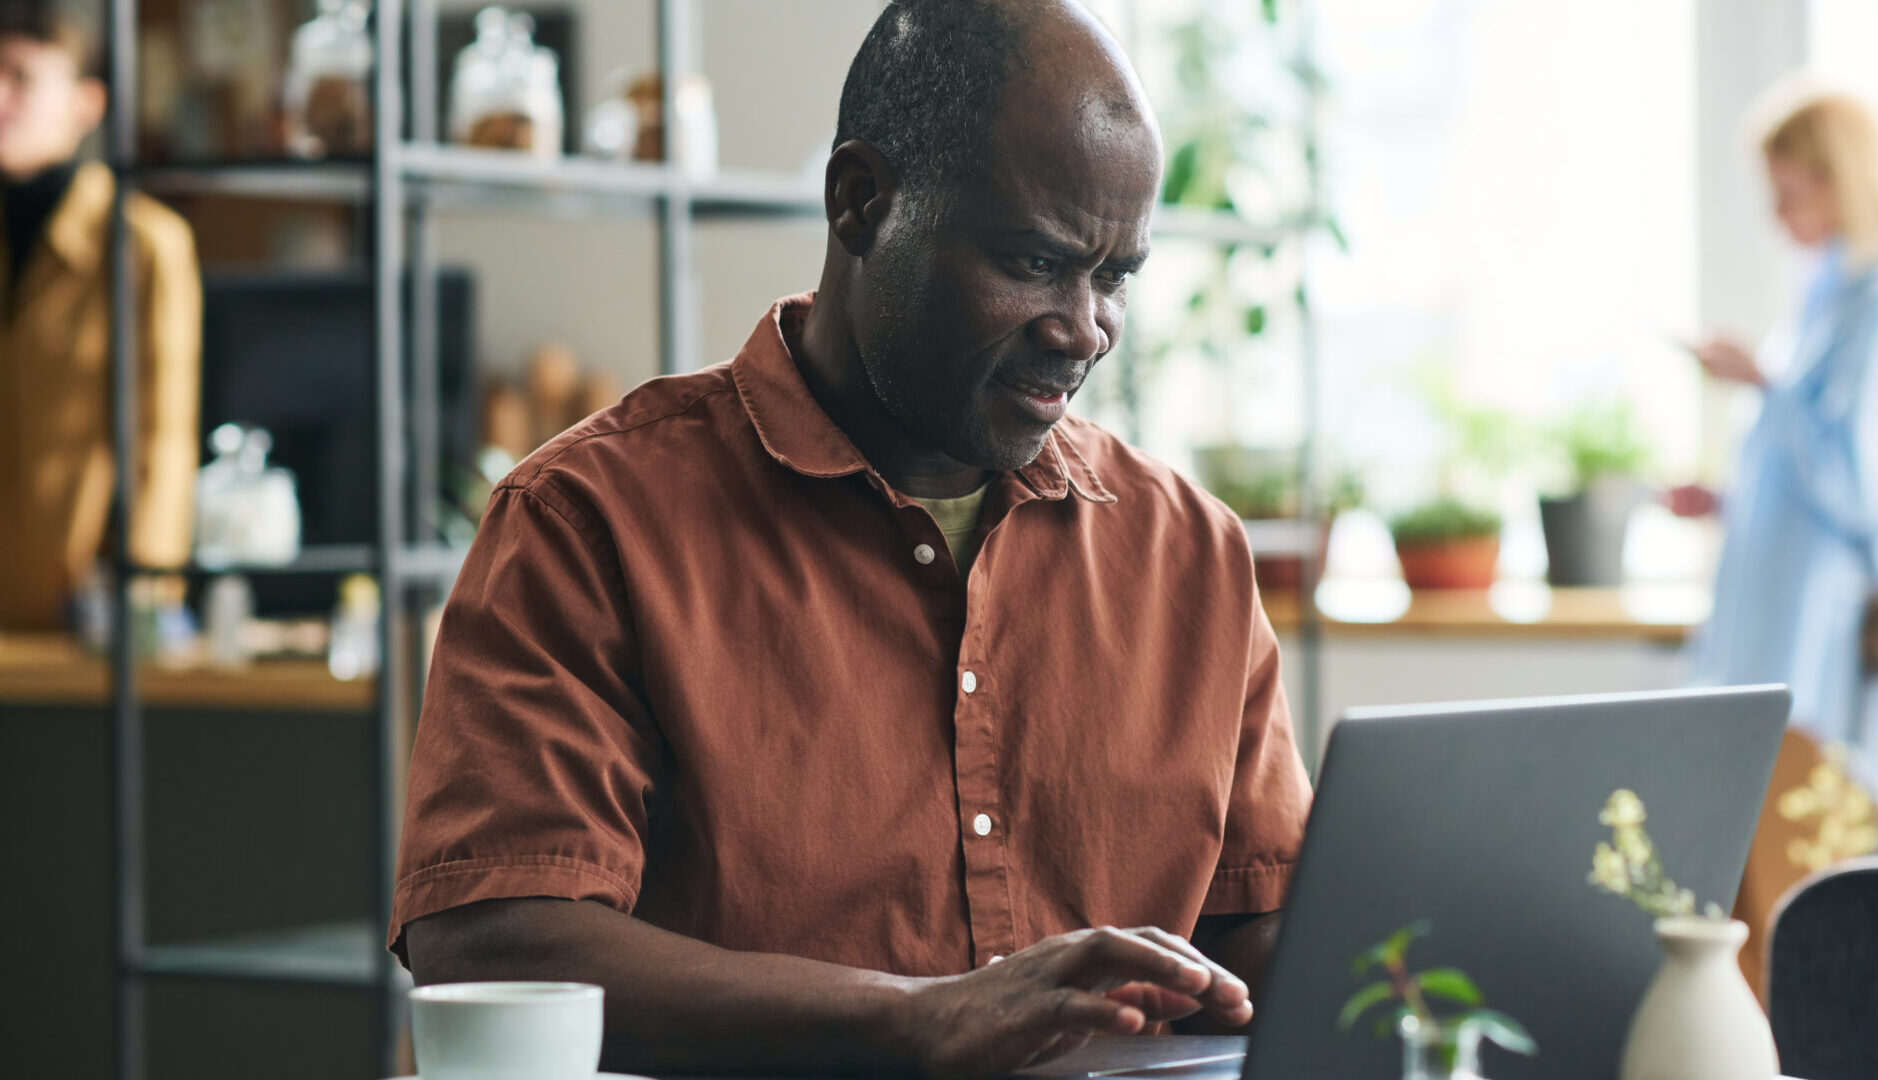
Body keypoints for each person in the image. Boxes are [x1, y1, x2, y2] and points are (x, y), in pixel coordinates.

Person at [391, 2, 1312, 1077]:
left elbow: (1258, 925)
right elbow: (490, 942)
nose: (1083, 328)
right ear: (861, 203)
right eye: (1031, 261)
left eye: (1113, 277)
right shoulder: (588, 524)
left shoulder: (1189, 554)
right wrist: (920, 1020)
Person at [1671, 82, 1878, 841]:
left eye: (1789, 193)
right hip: (1775, 631)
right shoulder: (1825, 299)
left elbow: (1867, 490)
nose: (1777, 217)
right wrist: (1723, 499)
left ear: (1840, 178)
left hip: (1827, 644)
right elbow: (1801, 467)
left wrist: (1761, 385)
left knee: (1805, 847)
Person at [0, 0, 200, 631]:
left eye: (21, 78)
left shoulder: (142, 244)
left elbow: (162, 437)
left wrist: (145, 592)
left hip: (79, 613)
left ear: (88, 103)